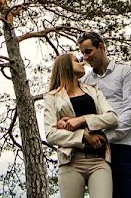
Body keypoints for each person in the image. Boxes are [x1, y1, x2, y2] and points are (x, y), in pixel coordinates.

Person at [78, 31, 131, 198]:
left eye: (88, 51)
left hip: (126, 149)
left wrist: (105, 138)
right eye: (82, 53)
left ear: (101, 47)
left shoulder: (125, 72)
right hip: (99, 155)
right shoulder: (85, 83)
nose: (85, 57)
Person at [43, 52, 119, 198]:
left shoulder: (93, 90)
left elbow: (112, 118)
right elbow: (50, 134)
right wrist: (83, 136)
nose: (82, 62)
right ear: (66, 67)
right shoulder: (52, 97)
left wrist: (82, 119)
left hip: (99, 160)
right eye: (76, 60)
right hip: (71, 161)